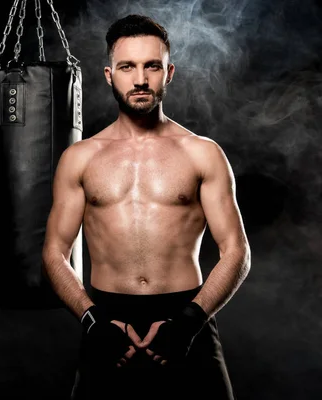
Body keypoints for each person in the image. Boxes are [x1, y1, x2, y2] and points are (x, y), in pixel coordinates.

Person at [41, 14, 251, 400]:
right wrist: (92, 319)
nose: (140, 79)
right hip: (106, 325)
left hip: (188, 320)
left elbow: (237, 252)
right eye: (127, 67)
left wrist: (189, 323)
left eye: (151, 66)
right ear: (109, 74)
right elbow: (55, 253)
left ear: (168, 72)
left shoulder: (202, 153)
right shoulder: (81, 158)